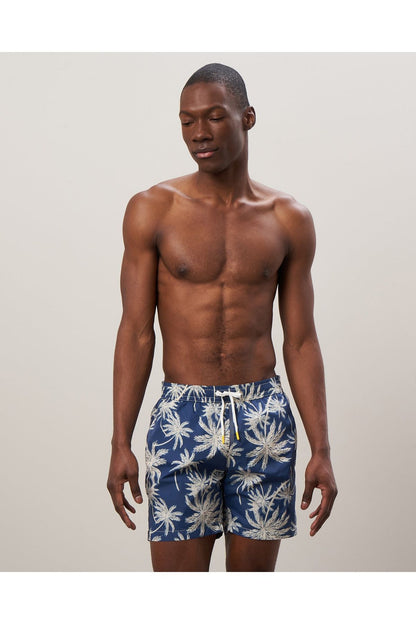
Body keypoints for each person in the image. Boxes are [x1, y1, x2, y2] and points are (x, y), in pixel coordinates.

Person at [107, 62, 337, 572]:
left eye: (213, 117)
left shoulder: (288, 218)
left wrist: (321, 448)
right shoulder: (153, 210)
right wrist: (120, 441)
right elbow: (136, 332)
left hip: (262, 416)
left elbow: (301, 341)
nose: (198, 133)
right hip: (182, 416)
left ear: (247, 117)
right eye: (186, 121)